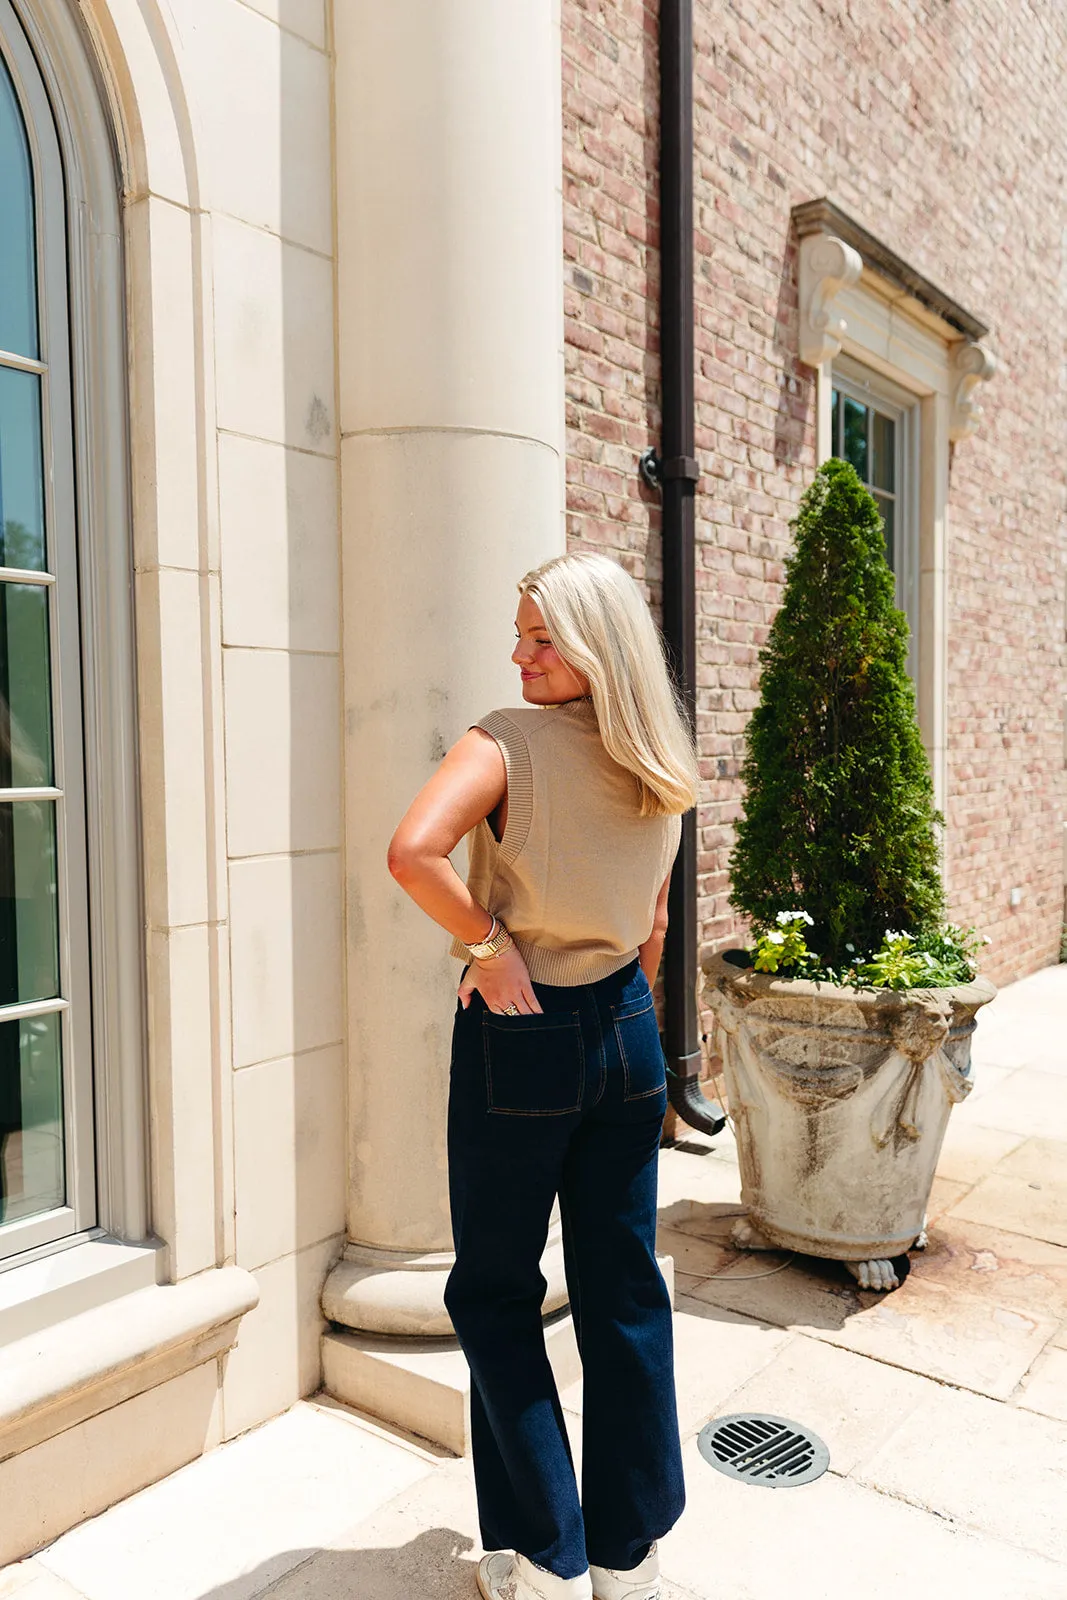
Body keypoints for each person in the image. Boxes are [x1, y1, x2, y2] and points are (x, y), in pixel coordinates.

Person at [387, 550, 698, 1600]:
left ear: (594, 646)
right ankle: (627, 1552)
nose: (516, 654)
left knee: (493, 1293)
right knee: (620, 1289)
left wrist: (488, 946)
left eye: (539, 638)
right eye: (518, 634)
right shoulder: (658, 755)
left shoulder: (506, 741)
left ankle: (547, 1554)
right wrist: (623, 1022)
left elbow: (412, 851)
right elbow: (653, 923)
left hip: (521, 1033)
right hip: (626, 1034)